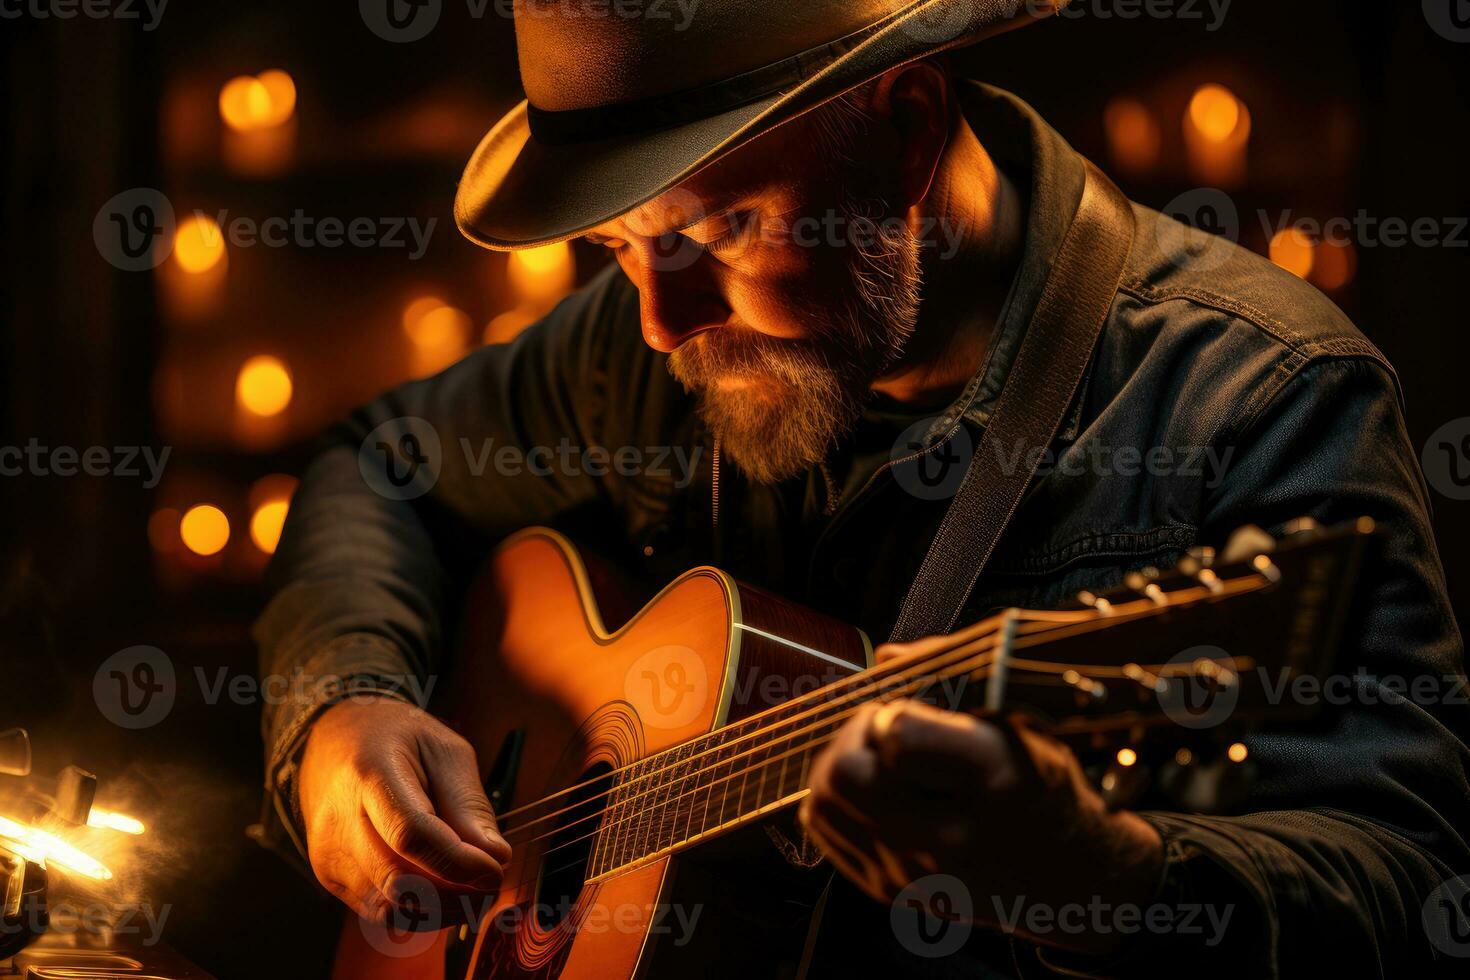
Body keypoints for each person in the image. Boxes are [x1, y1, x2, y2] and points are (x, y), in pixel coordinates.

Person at [255, 1, 1469, 975]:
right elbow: (378, 468)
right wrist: (343, 707)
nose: (662, 320)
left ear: (904, 128)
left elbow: (1407, 884)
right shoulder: (640, 345)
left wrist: (1119, 886)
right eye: (619, 246)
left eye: (721, 227)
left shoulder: (1254, 395)